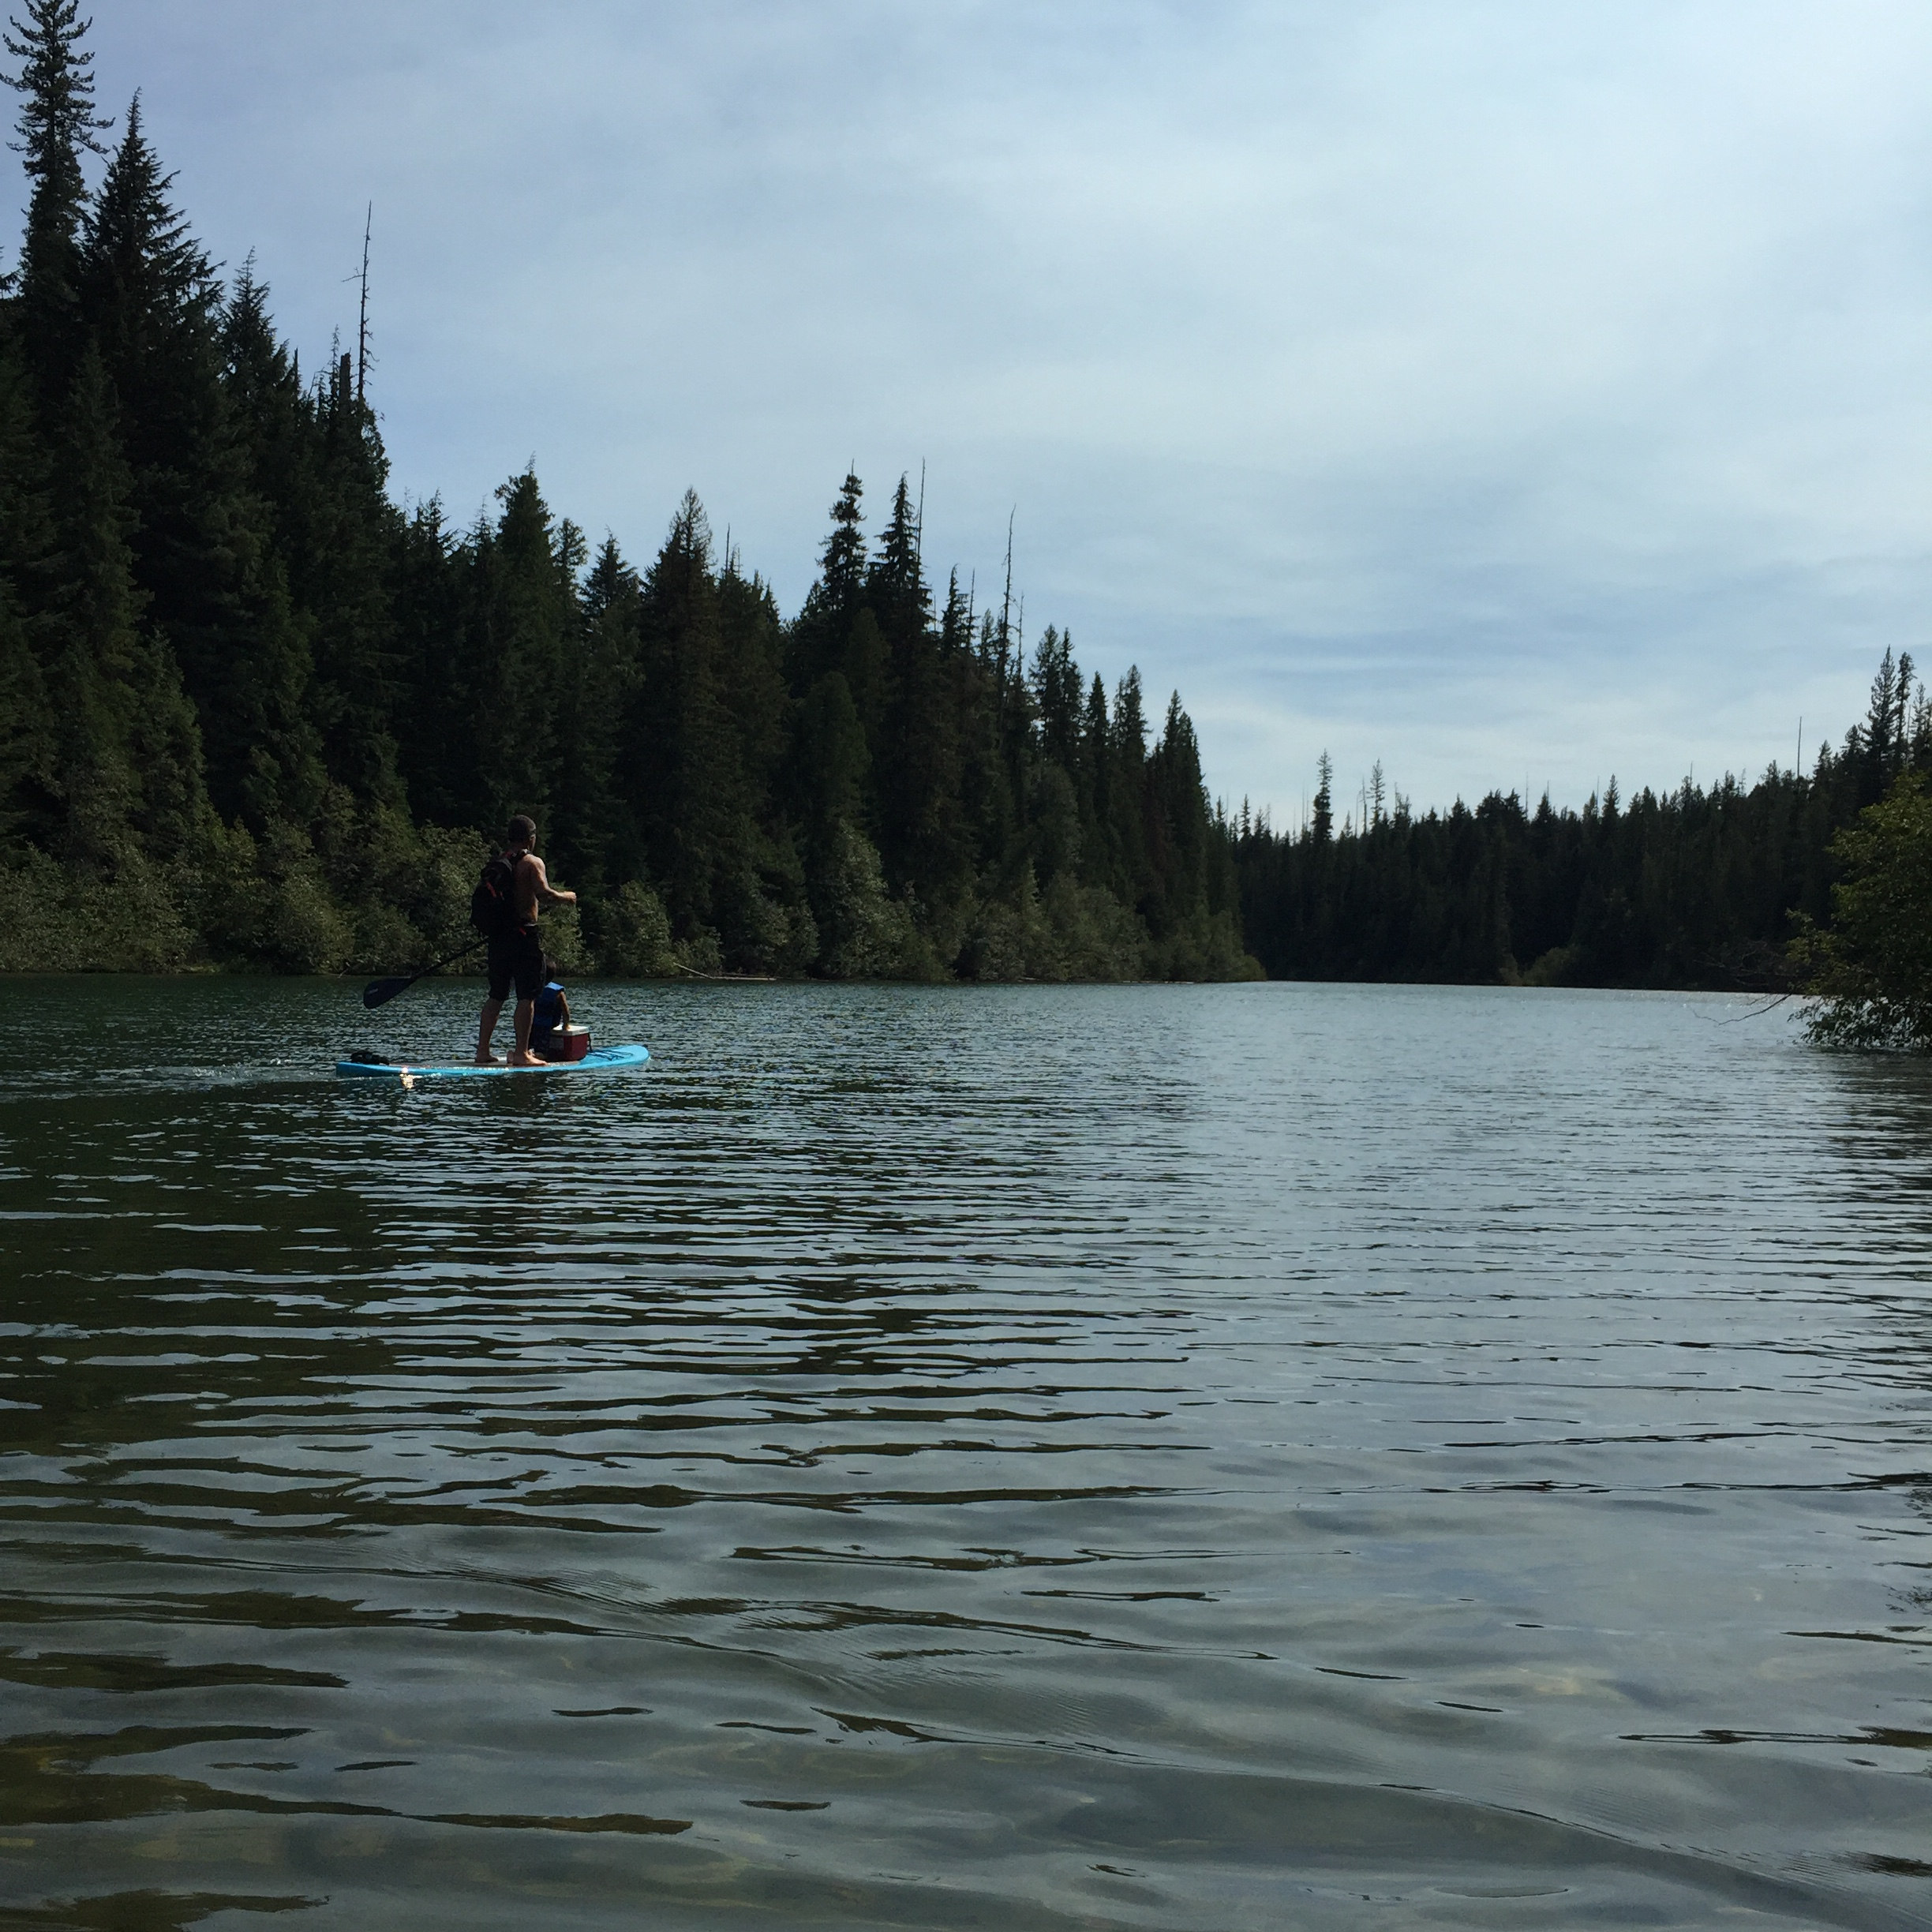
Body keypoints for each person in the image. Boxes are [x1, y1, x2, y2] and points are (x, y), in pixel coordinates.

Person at [476, 815, 577, 1066]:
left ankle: (482, 1052)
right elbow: (543, 893)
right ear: (531, 839)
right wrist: (567, 897)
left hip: (498, 937)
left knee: (496, 995)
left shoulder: (499, 863)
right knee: (527, 996)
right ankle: (522, 1053)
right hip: (523, 936)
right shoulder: (532, 862)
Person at [529, 957, 571, 1061]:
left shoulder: (532, 988)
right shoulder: (557, 991)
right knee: (544, 1053)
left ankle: (521, 1053)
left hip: (530, 1025)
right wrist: (566, 1025)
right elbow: (565, 1009)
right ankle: (535, 1056)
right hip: (546, 1026)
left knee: (528, 1046)